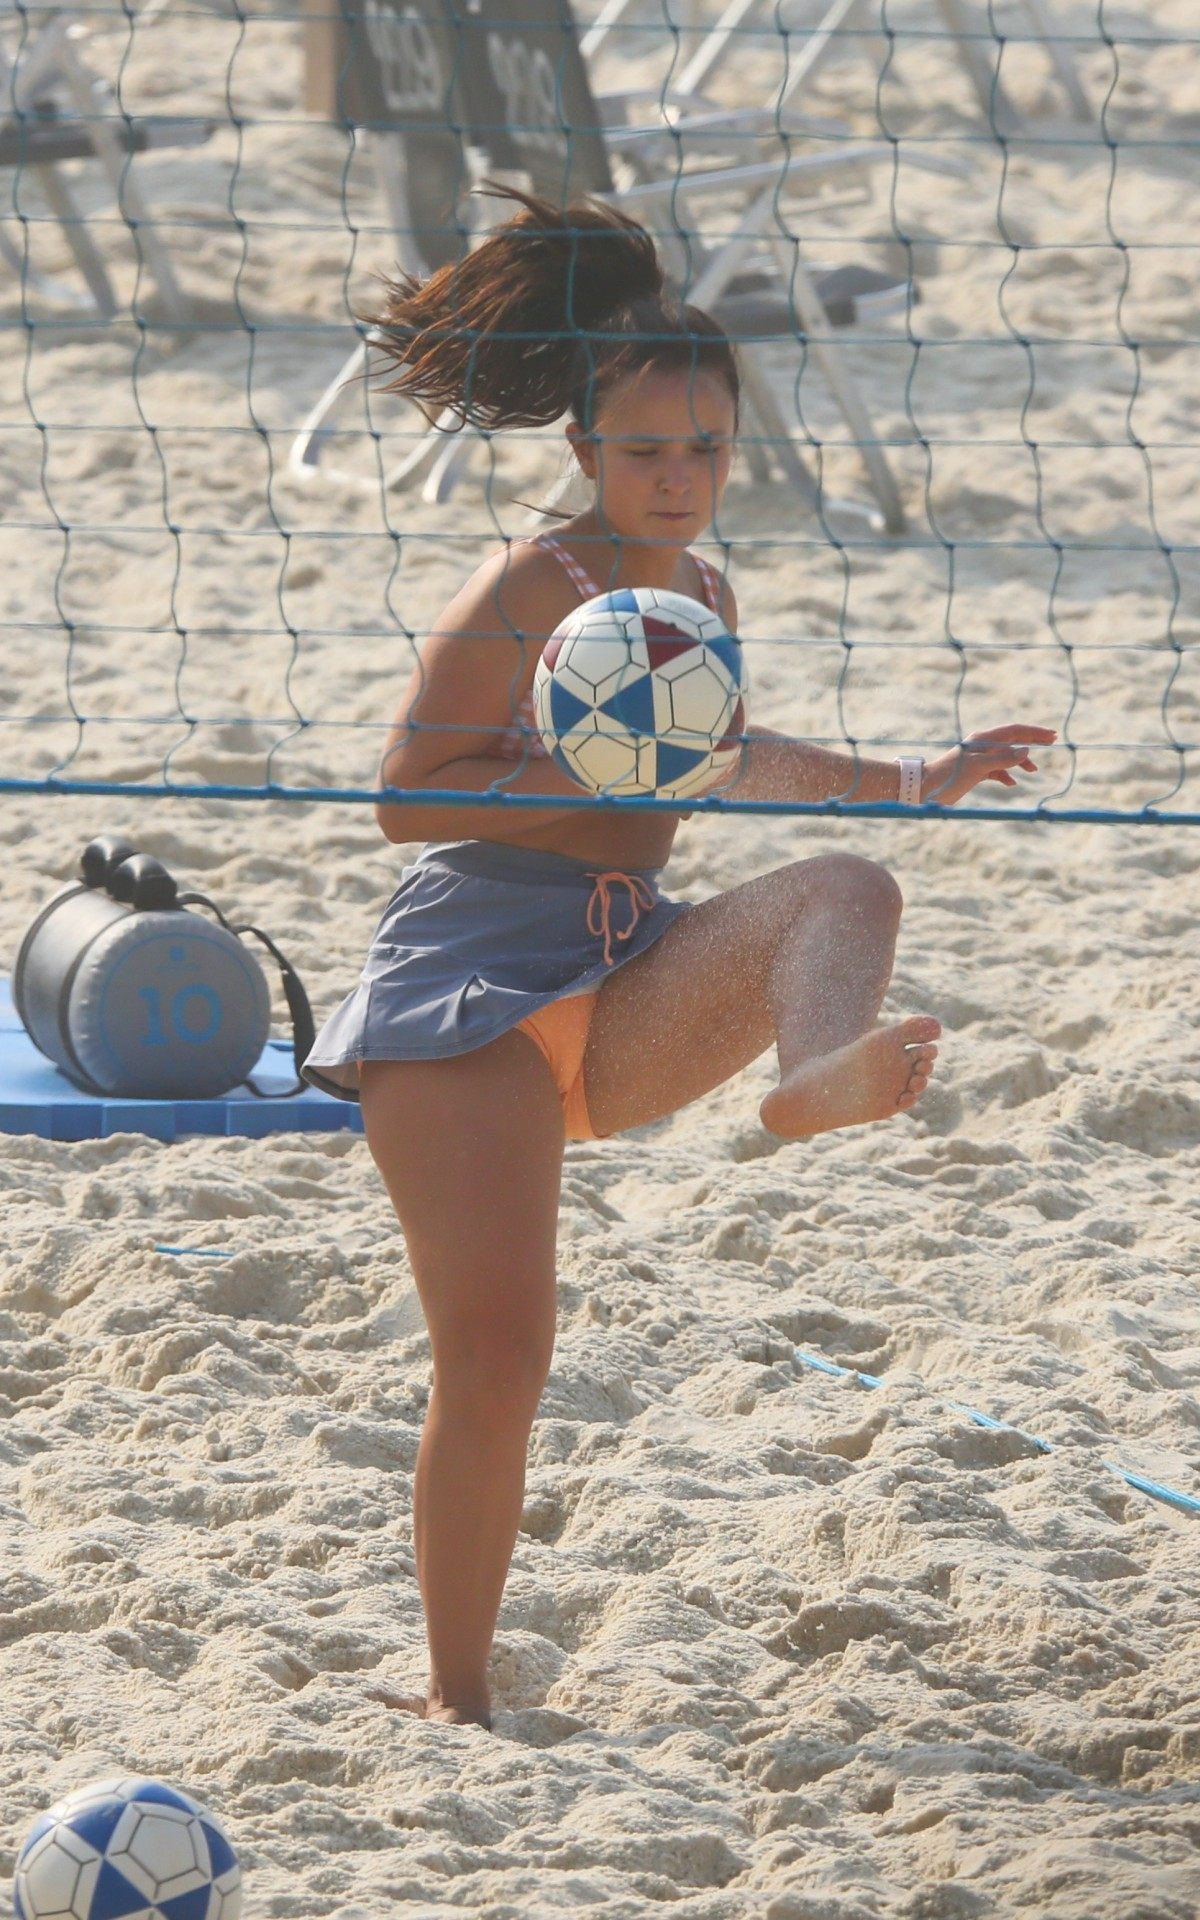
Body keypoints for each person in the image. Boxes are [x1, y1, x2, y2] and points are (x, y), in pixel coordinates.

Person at [301, 187, 1055, 1732]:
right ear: (583, 450)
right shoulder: (530, 585)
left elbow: (722, 757)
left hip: (625, 969)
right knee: (503, 1357)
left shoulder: (703, 593)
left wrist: (921, 777)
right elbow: (402, 794)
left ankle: (807, 1080)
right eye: (645, 451)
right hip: (472, 1001)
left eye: (705, 451)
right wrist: (583, 792)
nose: (678, 476)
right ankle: (457, 1700)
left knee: (850, 880)